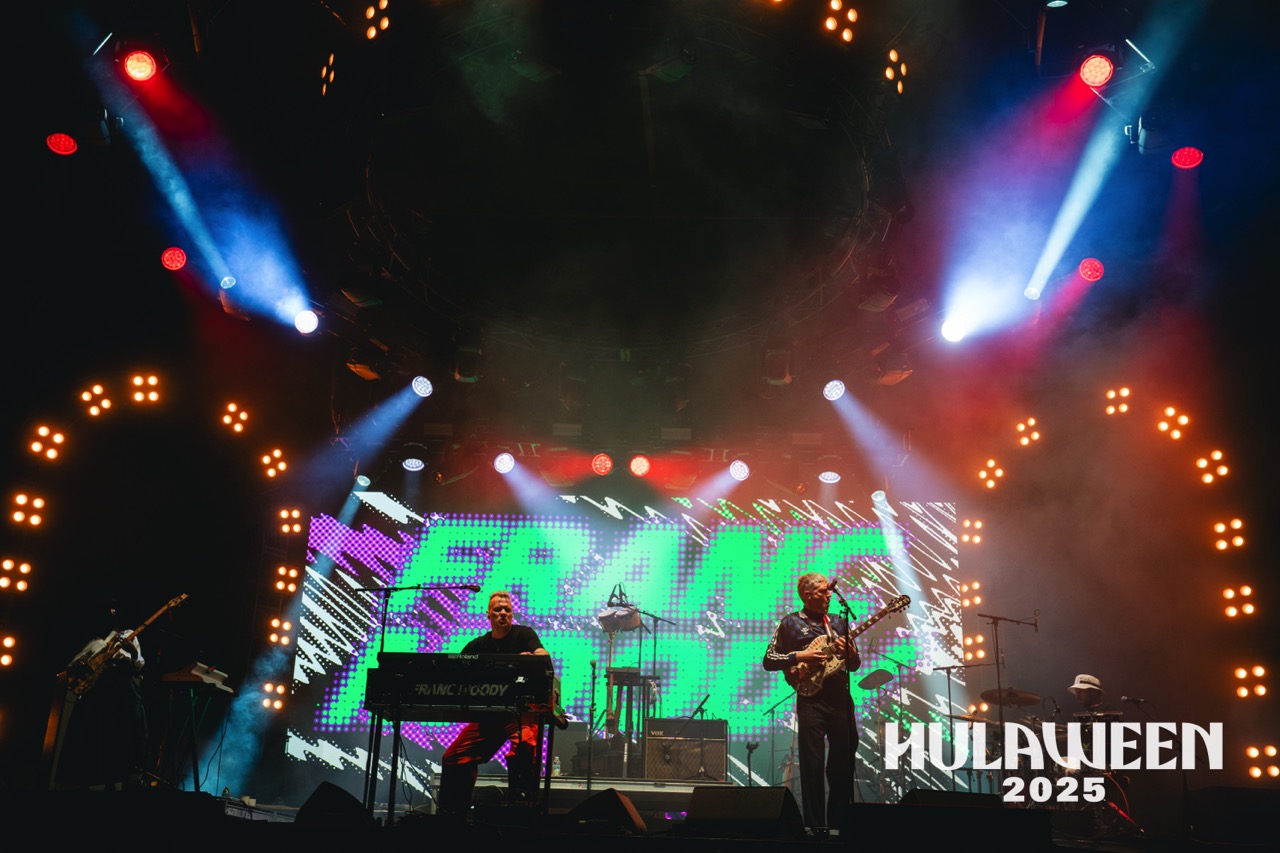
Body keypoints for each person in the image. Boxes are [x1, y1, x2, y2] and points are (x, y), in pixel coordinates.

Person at [436, 590, 551, 817]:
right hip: (489, 716)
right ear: (488, 614)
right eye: (498, 609)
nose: (503, 613)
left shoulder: (524, 634)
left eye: (507, 609)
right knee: (454, 758)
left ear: (512, 614)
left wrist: (534, 658)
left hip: (520, 714)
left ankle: (522, 813)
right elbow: (454, 671)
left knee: (525, 747)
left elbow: (543, 654)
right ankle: (453, 816)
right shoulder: (478, 645)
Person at [762, 572, 861, 834]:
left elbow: (855, 665)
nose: (829, 595)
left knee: (843, 760)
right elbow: (769, 660)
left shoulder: (839, 622)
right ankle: (815, 825)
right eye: (823, 591)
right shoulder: (790, 623)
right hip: (811, 701)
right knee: (812, 763)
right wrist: (800, 656)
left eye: (830, 590)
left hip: (840, 698)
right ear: (807, 595)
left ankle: (839, 823)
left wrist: (852, 654)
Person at [54, 604, 149, 789]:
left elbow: (138, 664)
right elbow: (73, 664)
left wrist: (133, 652)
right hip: (98, 688)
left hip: (121, 688)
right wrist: (86, 665)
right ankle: (86, 779)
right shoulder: (96, 641)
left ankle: (113, 781)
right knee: (92, 732)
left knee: (121, 732)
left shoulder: (130, 634)